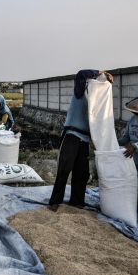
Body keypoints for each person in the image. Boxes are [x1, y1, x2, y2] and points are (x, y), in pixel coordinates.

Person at [48, 69, 113, 211]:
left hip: (84, 139)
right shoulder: (79, 93)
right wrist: (102, 72)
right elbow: (81, 74)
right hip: (71, 134)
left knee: (82, 172)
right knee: (64, 169)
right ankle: (55, 201)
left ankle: (77, 201)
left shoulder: (95, 103)